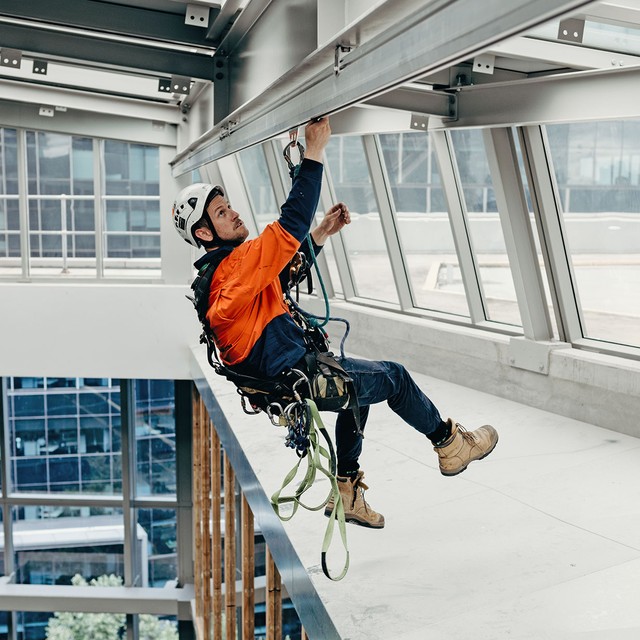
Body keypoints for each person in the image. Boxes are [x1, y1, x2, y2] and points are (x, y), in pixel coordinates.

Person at [173, 117, 498, 529]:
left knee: (357, 395)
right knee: (394, 378)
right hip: (303, 376)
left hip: (294, 380)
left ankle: (345, 492)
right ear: (204, 233)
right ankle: (450, 445)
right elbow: (289, 225)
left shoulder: (220, 280)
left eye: (229, 206)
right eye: (222, 213)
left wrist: (322, 232)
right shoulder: (233, 269)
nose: (235, 215)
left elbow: (283, 273)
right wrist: (313, 153)